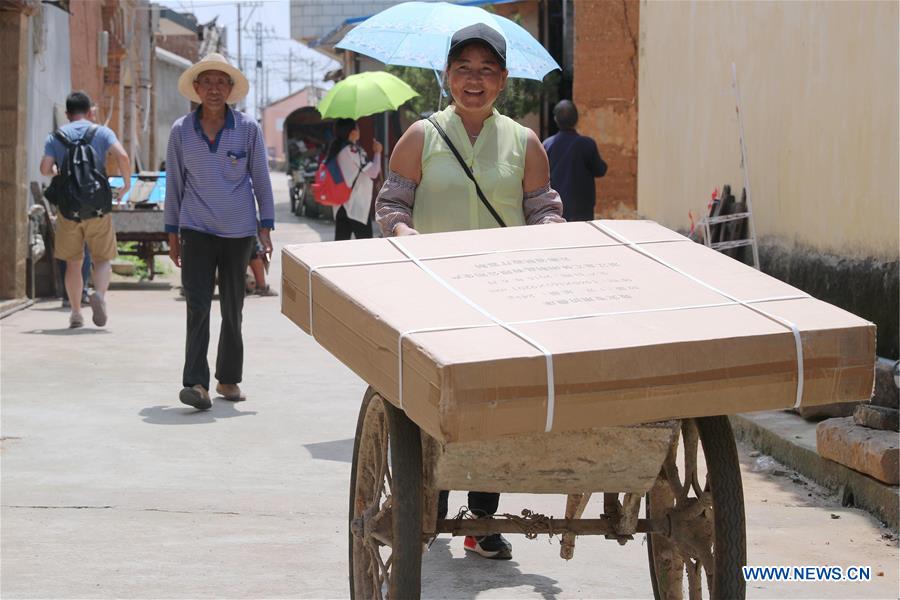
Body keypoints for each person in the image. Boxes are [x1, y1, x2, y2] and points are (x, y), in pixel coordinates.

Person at [375, 23, 565, 560]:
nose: (474, 80)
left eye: (486, 70)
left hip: (504, 297)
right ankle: (428, 509)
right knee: (430, 403)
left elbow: (543, 210)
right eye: (464, 69)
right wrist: (406, 236)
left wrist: (552, 235)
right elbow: (391, 207)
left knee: (495, 405)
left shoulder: (525, 142)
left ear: (503, 80)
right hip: (432, 293)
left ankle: (481, 522)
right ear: (447, 76)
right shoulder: (421, 136)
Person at [164, 53, 274, 410]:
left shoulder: (247, 129)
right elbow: (175, 185)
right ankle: (196, 383)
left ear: (231, 89)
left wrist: (266, 227)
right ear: (196, 89)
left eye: (221, 83)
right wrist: (172, 233)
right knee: (196, 305)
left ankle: (228, 379)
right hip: (196, 229)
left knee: (233, 307)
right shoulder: (181, 131)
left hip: (238, 232)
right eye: (207, 82)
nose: (214, 89)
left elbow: (261, 179)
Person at [40, 91, 132, 328]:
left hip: (69, 209)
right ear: (90, 111)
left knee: (73, 262)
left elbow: (44, 168)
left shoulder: (56, 137)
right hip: (98, 206)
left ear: (68, 113)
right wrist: (126, 184)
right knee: (102, 259)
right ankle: (99, 295)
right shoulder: (101, 132)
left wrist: (57, 173)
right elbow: (122, 156)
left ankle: (76, 313)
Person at [542, 100, 608, 221]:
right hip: (582, 208)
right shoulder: (587, 144)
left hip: (556, 207)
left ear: (556, 120)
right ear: (577, 119)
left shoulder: (546, 145)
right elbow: (600, 170)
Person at [327, 118, 382, 241]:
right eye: (357, 128)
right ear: (352, 132)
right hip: (356, 205)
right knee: (365, 247)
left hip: (340, 204)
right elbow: (373, 173)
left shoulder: (337, 149)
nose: (359, 130)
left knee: (341, 246)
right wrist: (377, 152)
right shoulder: (353, 150)